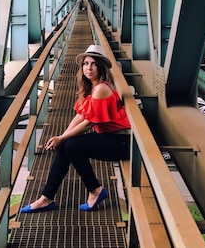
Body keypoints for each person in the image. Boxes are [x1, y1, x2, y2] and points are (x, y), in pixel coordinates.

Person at [20, 44, 131, 213]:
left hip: (122, 142)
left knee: (70, 145)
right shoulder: (91, 88)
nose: (89, 68)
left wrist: (62, 139)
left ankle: (94, 190)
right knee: (67, 145)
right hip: (109, 137)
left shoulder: (101, 88)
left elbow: (88, 122)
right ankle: (46, 198)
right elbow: (80, 116)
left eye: (94, 64)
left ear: (101, 67)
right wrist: (61, 136)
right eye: (86, 64)